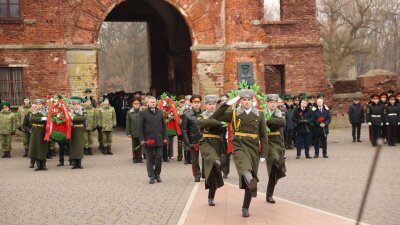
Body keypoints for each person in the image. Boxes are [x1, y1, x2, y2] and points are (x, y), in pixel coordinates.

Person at [211, 89, 268, 218]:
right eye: (244, 100)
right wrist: (228, 103)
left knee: (250, 176)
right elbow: (216, 116)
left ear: (252, 101)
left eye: (248, 100)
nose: (246, 102)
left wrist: (264, 152)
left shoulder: (259, 114)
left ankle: (245, 207)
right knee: (245, 167)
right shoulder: (234, 113)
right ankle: (251, 181)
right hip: (239, 145)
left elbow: (264, 136)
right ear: (240, 101)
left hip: (253, 146)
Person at [198, 95, 225, 206]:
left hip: (217, 144)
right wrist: (218, 122)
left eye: (213, 104)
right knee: (214, 162)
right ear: (205, 105)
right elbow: (203, 123)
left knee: (214, 172)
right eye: (209, 104)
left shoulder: (221, 115)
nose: (212, 106)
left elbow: (223, 128)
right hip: (206, 143)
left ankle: (211, 197)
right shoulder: (201, 115)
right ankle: (220, 175)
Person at [138, 96, 168, 184]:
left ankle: (157, 174)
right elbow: (140, 128)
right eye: (151, 102)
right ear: (147, 103)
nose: (153, 104)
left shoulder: (160, 112)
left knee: (159, 157)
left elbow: (164, 126)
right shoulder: (143, 113)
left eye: (154, 102)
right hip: (148, 140)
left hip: (159, 139)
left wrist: (165, 137)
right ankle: (151, 176)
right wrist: (142, 139)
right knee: (150, 159)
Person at [264, 94, 287, 204]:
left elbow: (282, 123)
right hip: (267, 142)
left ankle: (269, 195)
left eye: (274, 102)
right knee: (275, 159)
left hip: (277, 141)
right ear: (267, 103)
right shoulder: (262, 113)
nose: (273, 104)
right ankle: (282, 167)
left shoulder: (280, 112)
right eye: (271, 102)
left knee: (273, 172)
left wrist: (268, 121)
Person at [182, 94, 204, 182]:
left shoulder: (204, 113)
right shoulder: (187, 115)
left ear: (201, 103)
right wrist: (188, 142)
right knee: (194, 160)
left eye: (198, 102)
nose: (196, 104)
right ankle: (197, 174)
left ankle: (205, 173)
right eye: (195, 102)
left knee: (205, 158)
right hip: (193, 140)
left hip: (204, 140)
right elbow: (184, 130)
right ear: (191, 103)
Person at [29, 99, 49, 171]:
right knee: (36, 148)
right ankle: (38, 165)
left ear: (42, 105)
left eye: (40, 104)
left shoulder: (46, 112)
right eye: (37, 104)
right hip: (35, 132)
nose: (38, 105)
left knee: (42, 148)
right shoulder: (33, 112)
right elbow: (31, 119)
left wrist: (43, 119)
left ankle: (43, 164)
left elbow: (48, 120)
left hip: (43, 132)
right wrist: (41, 118)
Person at [69, 97, 86, 169]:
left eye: (77, 105)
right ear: (72, 106)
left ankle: (79, 163)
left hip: (80, 131)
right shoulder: (70, 113)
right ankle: (74, 163)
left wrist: (74, 118)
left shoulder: (83, 112)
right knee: (73, 147)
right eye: (74, 105)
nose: (76, 106)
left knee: (79, 147)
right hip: (73, 131)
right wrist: (76, 119)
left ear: (80, 105)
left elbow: (83, 118)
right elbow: (70, 119)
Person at [126, 97, 143, 163]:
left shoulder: (142, 112)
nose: (136, 105)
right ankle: (135, 158)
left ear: (139, 104)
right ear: (132, 104)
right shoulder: (130, 112)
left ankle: (140, 157)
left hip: (141, 132)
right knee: (134, 145)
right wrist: (128, 133)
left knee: (140, 145)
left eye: (137, 103)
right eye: (135, 104)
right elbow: (128, 123)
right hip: (133, 131)